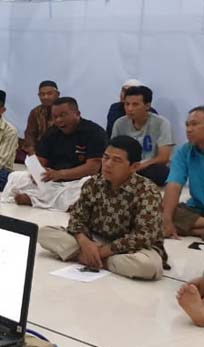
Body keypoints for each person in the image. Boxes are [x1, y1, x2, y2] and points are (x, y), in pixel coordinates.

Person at [38, 136, 167, 280]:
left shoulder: (147, 191)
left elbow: (144, 235)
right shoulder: (93, 183)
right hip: (95, 239)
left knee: (148, 266)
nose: (108, 164)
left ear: (134, 167)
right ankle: (93, 257)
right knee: (44, 233)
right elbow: (76, 218)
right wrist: (85, 243)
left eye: (116, 160)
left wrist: (104, 252)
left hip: (130, 249)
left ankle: (92, 259)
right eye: (106, 158)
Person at [2, 97, 106, 211]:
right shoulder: (52, 132)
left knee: (87, 186)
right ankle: (42, 200)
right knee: (16, 177)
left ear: (77, 114)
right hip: (52, 181)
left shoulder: (94, 132)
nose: (58, 120)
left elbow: (93, 168)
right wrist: (36, 173)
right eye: (55, 117)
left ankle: (36, 199)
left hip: (76, 182)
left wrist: (61, 174)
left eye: (63, 115)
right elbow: (41, 159)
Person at [111, 86, 173, 186]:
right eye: (127, 104)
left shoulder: (162, 123)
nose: (130, 109)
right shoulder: (119, 123)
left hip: (149, 167)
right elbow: (112, 151)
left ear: (147, 106)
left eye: (135, 104)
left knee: (162, 172)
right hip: (126, 166)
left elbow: (163, 157)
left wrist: (140, 165)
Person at [162, 106, 204, 239]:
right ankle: (198, 231)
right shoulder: (185, 150)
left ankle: (192, 229)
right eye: (187, 125)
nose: (188, 129)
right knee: (157, 209)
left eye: (194, 124)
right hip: (196, 209)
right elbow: (174, 184)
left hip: (196, 216)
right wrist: (167, 220)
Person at [23, 80, 60, 156]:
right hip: (39, 151)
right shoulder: (35, 112)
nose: (45, 97)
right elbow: (30, 133)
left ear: (58, 94)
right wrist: (32, 150)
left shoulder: (64, 110)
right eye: (42, 94)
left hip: (61, 150)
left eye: (49, 94)